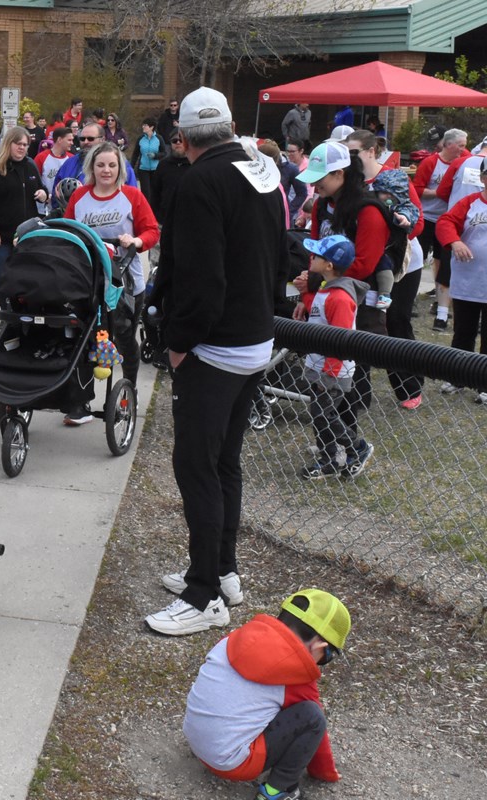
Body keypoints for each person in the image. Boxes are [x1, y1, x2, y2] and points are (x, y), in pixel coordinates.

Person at [147, 87, 284, 636]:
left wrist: (180, 341)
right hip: (255, 337)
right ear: (229, 126)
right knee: (225, 461)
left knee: (196, 467)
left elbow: (200, 277)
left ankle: (205, 594)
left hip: (217, 345)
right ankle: (222, 570)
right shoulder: (262, 171)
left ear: (181, 138)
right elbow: (277, 253)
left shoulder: (200, 181)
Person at [183, 589, 349, 800]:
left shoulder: (234, 638)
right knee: (312, 716)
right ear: (319, 646)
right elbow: (316, 729)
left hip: (196, 738)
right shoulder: (297, 676)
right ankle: (278, 790)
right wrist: (324, 772)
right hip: (231, 764)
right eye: (327, 657)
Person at [297, 141, 394, 439]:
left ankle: (348, 441)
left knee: (348, 369)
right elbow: (314, 252)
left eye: (320, 177)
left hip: (357, 299)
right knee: (321, 362)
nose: (314, 184)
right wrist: (309, 292)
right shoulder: (323, 206)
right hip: (324, 292)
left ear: (340, 174)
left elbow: (364, 265)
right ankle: (328, 442)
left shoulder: (368, 211)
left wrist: (317, 280)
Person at [63, 140, 160, 413]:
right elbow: (70, 231)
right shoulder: (80, 197)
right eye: (101, 165)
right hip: (88, 282)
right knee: (83, 340)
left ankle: (128, 391)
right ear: (92, 167)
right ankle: (79, 403)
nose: (106, 170)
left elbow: (152, 231)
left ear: (121, 168)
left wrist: (136, 240)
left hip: (126, 284)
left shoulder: (132, 196)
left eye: (112, 165)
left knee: (125, 340)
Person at [345, 128, 427, 409]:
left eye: (354, 152)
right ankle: (359, 392)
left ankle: (409, 387)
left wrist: (394, 228)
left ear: (370, 151)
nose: (350, 157)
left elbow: (418, 223)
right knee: (363, 321)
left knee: (396, 320)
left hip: (401, 263)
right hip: (367, 260)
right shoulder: (350, 181)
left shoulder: (393, 178)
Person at [293, 235, 374, 478]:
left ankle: (357, 447)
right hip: (318, 365)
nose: (311, 258)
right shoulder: (325, 289)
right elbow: (317, 311)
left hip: (332, 370)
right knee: (320, 415)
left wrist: (329, 371)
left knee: (323, 415)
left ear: (329, 266)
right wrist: (304, 292)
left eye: (316, 256)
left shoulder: (340, 297)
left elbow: (341, 340)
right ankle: (328, 459)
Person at [0, 125, 47, 304]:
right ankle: (7, 316)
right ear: (9, 143)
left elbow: (41, 188)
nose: (21, 147)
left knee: (27, 277)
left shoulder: (29, 165)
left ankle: (25, 318)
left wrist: (43, 194)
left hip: (27, 235)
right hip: (0, 236)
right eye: (18, 143)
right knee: (3, 277)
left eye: (25, 144)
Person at [436, 170, 487, 403]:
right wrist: (455, 241)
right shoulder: (470, 203)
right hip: (469, 280)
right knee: (463, 332)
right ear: (484, 178)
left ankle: (484, 384)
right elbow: (445, 222)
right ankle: (458, 377)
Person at [412, 128, 469, 332]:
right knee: (417, 260)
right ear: (448, 145)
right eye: (460, 146)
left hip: (448, 221)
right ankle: (410, 299)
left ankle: (442, 311)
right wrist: (441, 192)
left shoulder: (465, 160)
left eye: (465, 145)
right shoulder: (431, 163)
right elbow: (417, 189)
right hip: (427, 217)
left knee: (445, 264)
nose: (464, 150)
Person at [150, 130, 189, 224]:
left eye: (181, 140)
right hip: (165, 219)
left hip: (189, 218)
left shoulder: (195, 164)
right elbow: (155, 193)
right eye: (174, 140)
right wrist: (156, 217)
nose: (178, 142)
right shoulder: (163, 165)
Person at [35, 126, 76, 215]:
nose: (72, 143)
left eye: (72, 140)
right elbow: (34, 181)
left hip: (65, 208)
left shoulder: (72, 158)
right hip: (44, 208)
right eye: (69, 140)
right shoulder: (41, 157)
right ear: (59, 140)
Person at [131, 116, 167, 202]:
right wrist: (131, 167)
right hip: (143, 169)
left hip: (156, 169)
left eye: (145, 125)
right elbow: (135, 153)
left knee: (154, 191)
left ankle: (154, 210)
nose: (143, 126)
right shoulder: (141, 139)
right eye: (143, 125)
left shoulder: (159, 138)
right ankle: (145, 209)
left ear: (151, 127)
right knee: (146, 192)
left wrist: (155, 155)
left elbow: (164, 153)